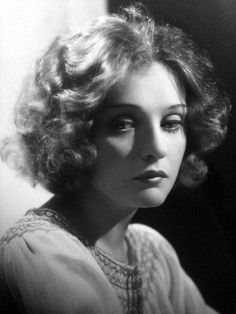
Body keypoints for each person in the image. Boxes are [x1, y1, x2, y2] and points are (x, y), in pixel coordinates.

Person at [0, 5, 230, 314]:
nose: (156, 148)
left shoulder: (151, 252)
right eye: (123, 123)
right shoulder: (41, 251)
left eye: (171, 123)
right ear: (75, 135)